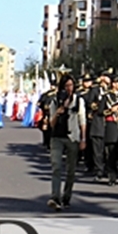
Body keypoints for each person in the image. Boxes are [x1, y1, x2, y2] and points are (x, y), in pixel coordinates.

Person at [47, 74, 86, 210]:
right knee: (56, 167)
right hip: (57, 137)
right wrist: (58, 113)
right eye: (67, 86)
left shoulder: (79, 101)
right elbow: (51, 124)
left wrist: (83, 139)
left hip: (73, 137)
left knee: (71, 170)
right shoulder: (55, 101)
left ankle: (66, 197)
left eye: (71, 85)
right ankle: (55, 197)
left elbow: (83, 121)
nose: (69, 89)